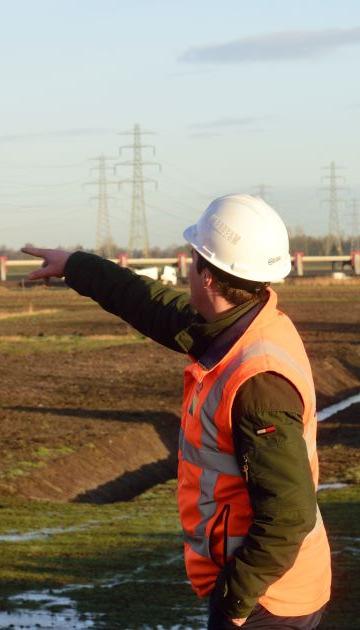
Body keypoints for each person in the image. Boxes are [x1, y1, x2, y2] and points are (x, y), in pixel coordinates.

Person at [23, 194, 331, 629]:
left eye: (193, 259)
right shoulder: (246, 324)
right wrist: (76, 265)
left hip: (269, 602)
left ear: (205, 275)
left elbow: (289, 514)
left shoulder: (258, 381)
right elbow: (154, 307)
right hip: (267, 587)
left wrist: (235, 600)